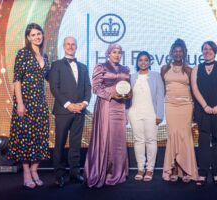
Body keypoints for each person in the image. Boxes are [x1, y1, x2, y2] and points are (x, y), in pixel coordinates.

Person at [7, 23, 50, 189]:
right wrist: (20, 104)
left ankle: (34, 169)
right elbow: (17, 80)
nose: (37, 37)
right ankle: (26, 173)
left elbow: (48, 77)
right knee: (25, 137)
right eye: (33, 35)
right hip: (25, 101)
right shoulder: (23, 53)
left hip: (40, 102)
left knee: (40, 136)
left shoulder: (45, 56)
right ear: (28, 37)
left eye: (39, 34)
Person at [84, 44, 130, 188]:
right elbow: (96, 88)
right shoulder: (101, 67)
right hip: (106, 105)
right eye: (114, 52)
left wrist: (128, 95)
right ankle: (101, 171)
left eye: (119, 52)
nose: (117, 55)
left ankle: (117, 172)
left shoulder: (125, 69)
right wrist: (111, 94)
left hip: (121, 106)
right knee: (105, 138)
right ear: (108, 54)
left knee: (118, 139)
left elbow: (127, 88)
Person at [49, 36, 91, 188]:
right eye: (68, 44)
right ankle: (59, 175)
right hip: (63, 111)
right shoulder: (56, 65)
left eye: (73, 44)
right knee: (59, 143)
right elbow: (54, 88)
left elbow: (88, 88)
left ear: (76, 46)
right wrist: (68, 105)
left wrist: (84, 103)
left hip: (79, 111)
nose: (70, 46)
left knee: (75, 144)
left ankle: (75, 173)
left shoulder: (83, 67)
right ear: (63, 46)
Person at [192, 41, 217, 186]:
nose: (207, 51)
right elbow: (195, 89)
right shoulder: (197, 68)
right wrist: (205, 106)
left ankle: (216, 173)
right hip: (203, 111)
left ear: (215, 51)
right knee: (203, 143)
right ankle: (202, 173)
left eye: (210, 49)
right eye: (205, 49)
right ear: (202, 51)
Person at [161, 39, 198, 182]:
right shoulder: (164, 69)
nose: (177, 54)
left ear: (184, 53)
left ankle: (186, 169)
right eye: (175, 51)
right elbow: (163, 90)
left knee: (185, 137)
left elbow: (194, 91)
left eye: (180, 51)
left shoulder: (189, 70)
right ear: (171, 53)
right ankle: (174, 168)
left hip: (185, 106)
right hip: (170, 105)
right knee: (173, 135)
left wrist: (196, 108)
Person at [128, 51, 164, 181]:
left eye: (146, 60)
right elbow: (127, 96)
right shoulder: (131, 77)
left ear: (149, 62)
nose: (143, 62)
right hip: (135, 112)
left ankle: (150, 169)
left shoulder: (156, 76)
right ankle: (140, 169)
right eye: (140, 60)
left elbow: (160, 96)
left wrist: (159, 114)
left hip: (151, 113)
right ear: (137, 62)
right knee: (138, 141)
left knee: (151, 140)